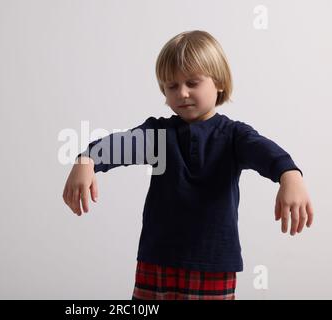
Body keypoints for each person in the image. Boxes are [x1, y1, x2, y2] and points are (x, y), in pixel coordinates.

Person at [62, 30, 314, 300]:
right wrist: (86, 158)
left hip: (214, 264)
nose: (182, 93)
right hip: (157, 258)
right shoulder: (158, 134)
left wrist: (290, 176)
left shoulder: (234, 135)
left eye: (192, 83)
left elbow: (265, 152)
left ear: (218, 83)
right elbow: (122, 144)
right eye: (171, 86)